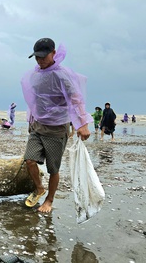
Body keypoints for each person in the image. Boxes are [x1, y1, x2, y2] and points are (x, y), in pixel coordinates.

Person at [21, 38, 92, 213]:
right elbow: (35, 101)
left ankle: (49, 201)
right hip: (38, 126)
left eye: (43, 56)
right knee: (29, 160)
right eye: (37, 57)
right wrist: (31, 120)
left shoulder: (61, 75)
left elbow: (75, 98)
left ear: (53, 53)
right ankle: (39, 188)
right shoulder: (35, 75)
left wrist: (83, 124)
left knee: (53, 169)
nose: (40, 60)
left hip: (57, 129)